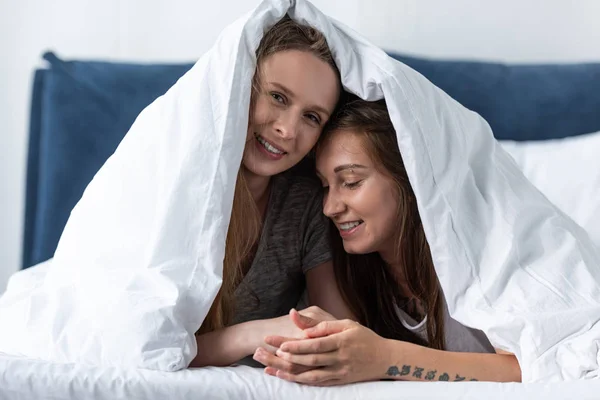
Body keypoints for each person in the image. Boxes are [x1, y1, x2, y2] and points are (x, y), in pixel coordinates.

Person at [253, 97, 522, 384]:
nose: (329, 208)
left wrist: (386, 358)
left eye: (352, 182)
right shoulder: (348, 274)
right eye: (325, 186)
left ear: (409, 179)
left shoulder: (483, 257)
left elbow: (533, 368)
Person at [189, 15, 353, 368]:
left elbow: (338, 333)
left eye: (312, 117)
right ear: (241, 87)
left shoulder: (305, 200)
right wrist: (249, 335)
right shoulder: (183, 186)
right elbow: (142, 344)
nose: (287, 130)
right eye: (278, 97)